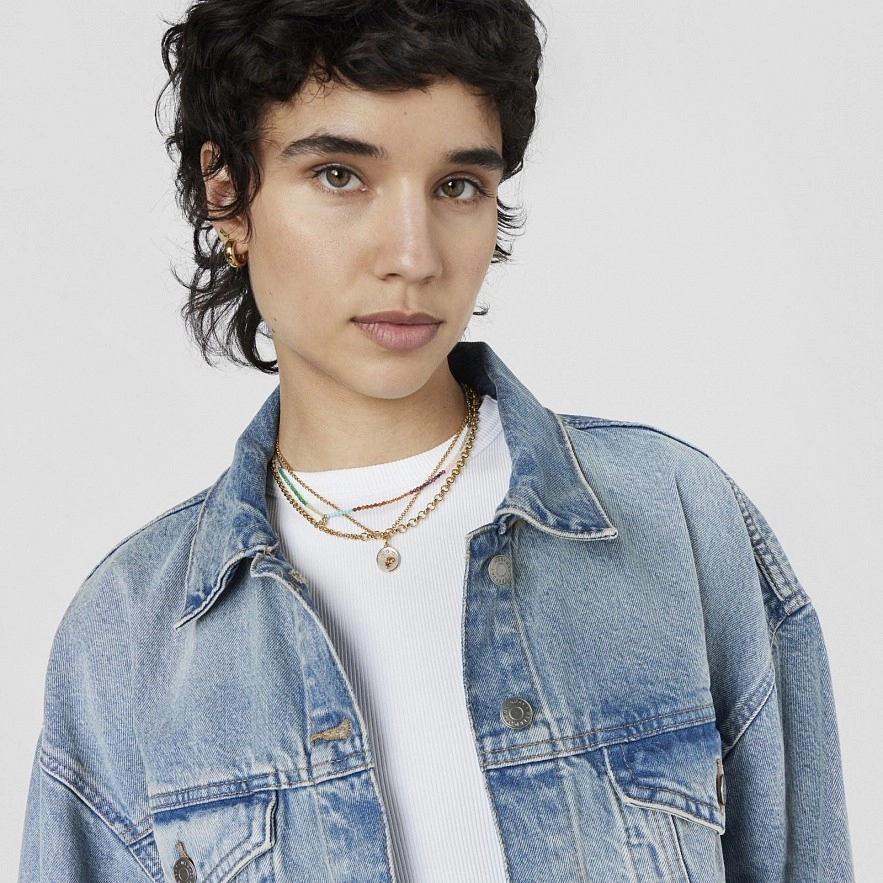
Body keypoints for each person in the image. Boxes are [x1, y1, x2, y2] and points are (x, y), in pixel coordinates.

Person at [19, 1, 854, 881]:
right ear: (225, 192)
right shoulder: (129, 634)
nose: (413, 257)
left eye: (457, 186)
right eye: (340, 175)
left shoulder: (676, 522)